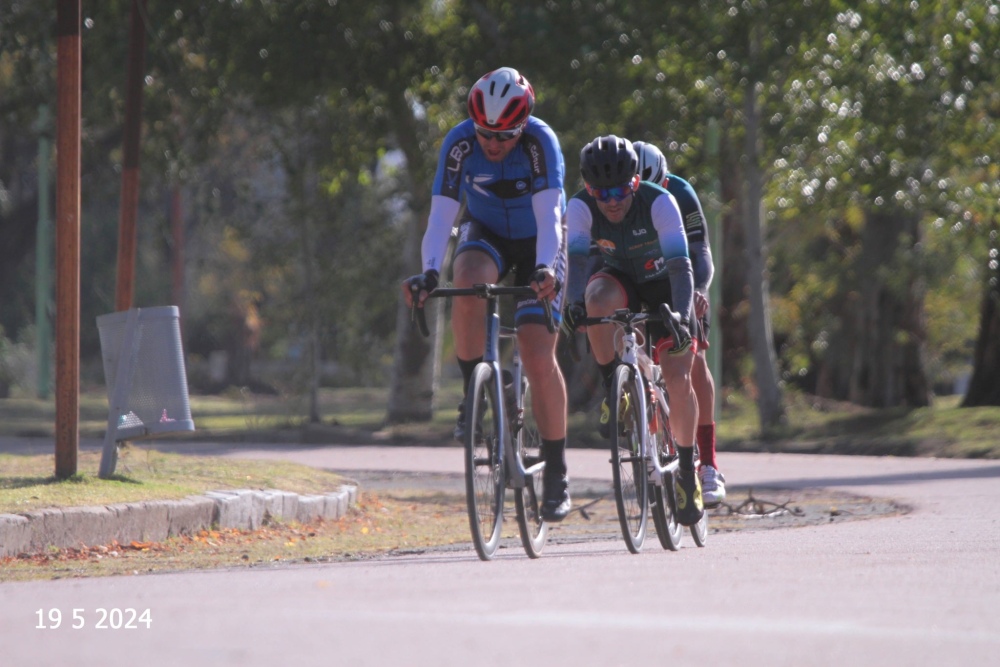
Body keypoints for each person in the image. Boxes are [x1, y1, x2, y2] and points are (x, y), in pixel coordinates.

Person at [402, 67, 572, 522]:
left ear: (523, 126)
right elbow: (441, 216)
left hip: (540, 240)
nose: (493, 145)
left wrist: (543, 268)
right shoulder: (459, 144)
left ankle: (556, 470)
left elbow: (550, 212)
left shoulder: (541, 143)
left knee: (537, 354)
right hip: (487, 233)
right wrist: (428, 271)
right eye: (485, 135)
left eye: (504, 136)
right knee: (466, 277)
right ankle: (472, 391)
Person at [563, 135, 703, 526]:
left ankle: (689, 471)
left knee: (678, 378)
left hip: (665, 284)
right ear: (589, 189)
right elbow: (576, 260)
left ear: (636, 183)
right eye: (601, 192)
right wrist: (572, 305)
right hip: (621, 277)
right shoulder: (579, 205)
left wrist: (680, 314)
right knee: (595, 298)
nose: (611, 200)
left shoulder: (660, 202)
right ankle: (615, 386)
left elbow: (681, 265)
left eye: (620, 190)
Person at [633, 140, 726, 508]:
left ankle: (708, 464)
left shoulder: (682, 193)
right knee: (628, 340)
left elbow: (701, 251)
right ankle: (645, 426)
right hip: (638, 277)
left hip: (679, 280)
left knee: (695, 358)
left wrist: (700, 290)